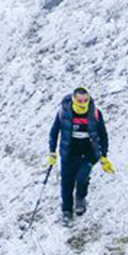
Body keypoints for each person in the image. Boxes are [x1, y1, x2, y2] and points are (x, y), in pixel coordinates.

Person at [48, 86, 115, 224]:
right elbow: (54, 132)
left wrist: (104, 156)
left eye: (85, 100)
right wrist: (52, 152)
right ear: (74, 99)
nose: (83, 103)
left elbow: (103, 135)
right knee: (66, 182)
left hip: (89, 153)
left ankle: (80, 199)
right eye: (80, 101)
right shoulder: (63, 112)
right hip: (69, 152)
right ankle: (67, 211)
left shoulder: (95, 113)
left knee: (82, 176)